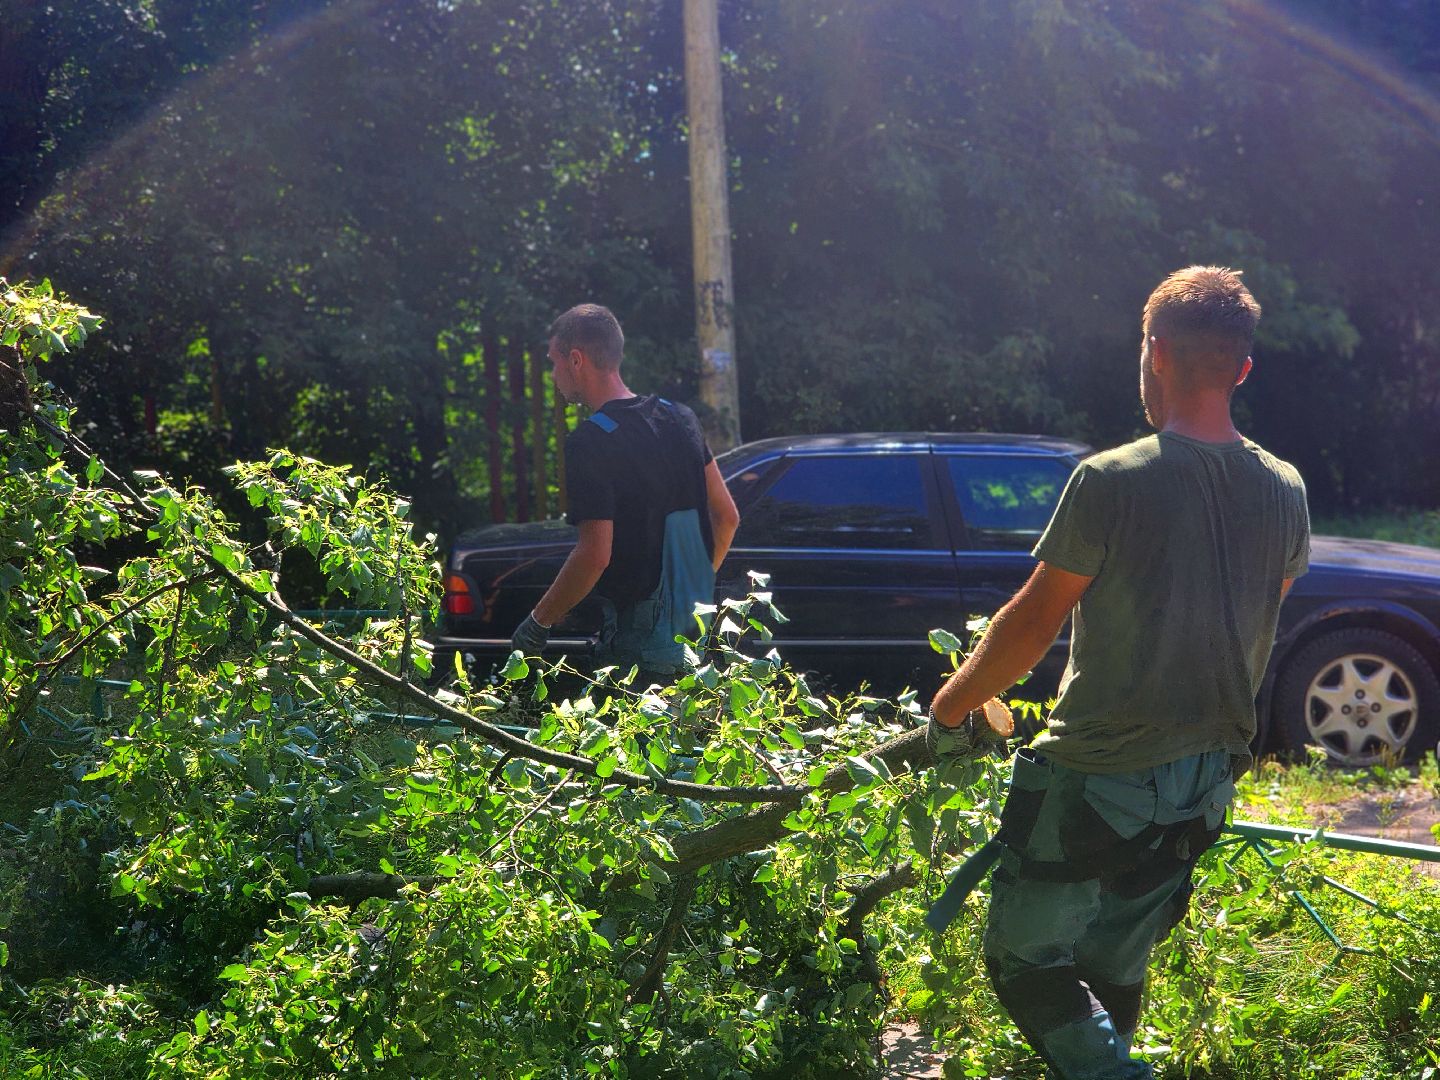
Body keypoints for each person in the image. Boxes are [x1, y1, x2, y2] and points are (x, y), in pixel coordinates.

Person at [927, 267, 1310, 1079]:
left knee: (1023, 958)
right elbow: (1259, 609)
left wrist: (954, 704)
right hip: (1205, 782)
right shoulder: (1285, 488)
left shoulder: (1112, 478)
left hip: (1102, 776)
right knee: (1112, 963)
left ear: (1155, 354)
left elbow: (1033, 623)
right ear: (1242, 368)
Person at [510, 304, 740, 684]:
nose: (553, 375)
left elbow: (595, 555)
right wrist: (688, 592)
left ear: (576, 360)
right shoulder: (680, 417)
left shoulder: (591, 442)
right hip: (696, 642)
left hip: (636, 656)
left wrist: (537, 623)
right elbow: (727, 517)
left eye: (554, 362)